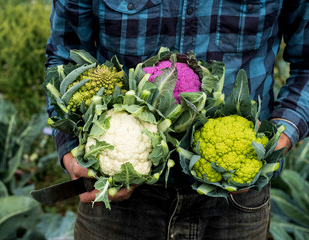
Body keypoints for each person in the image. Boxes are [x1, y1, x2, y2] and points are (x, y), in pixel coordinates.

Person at [45, 1, 308, 239]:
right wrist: (71, 151)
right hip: (117, 201)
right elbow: (64, 57)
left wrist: (277, 139)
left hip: (234, 206)